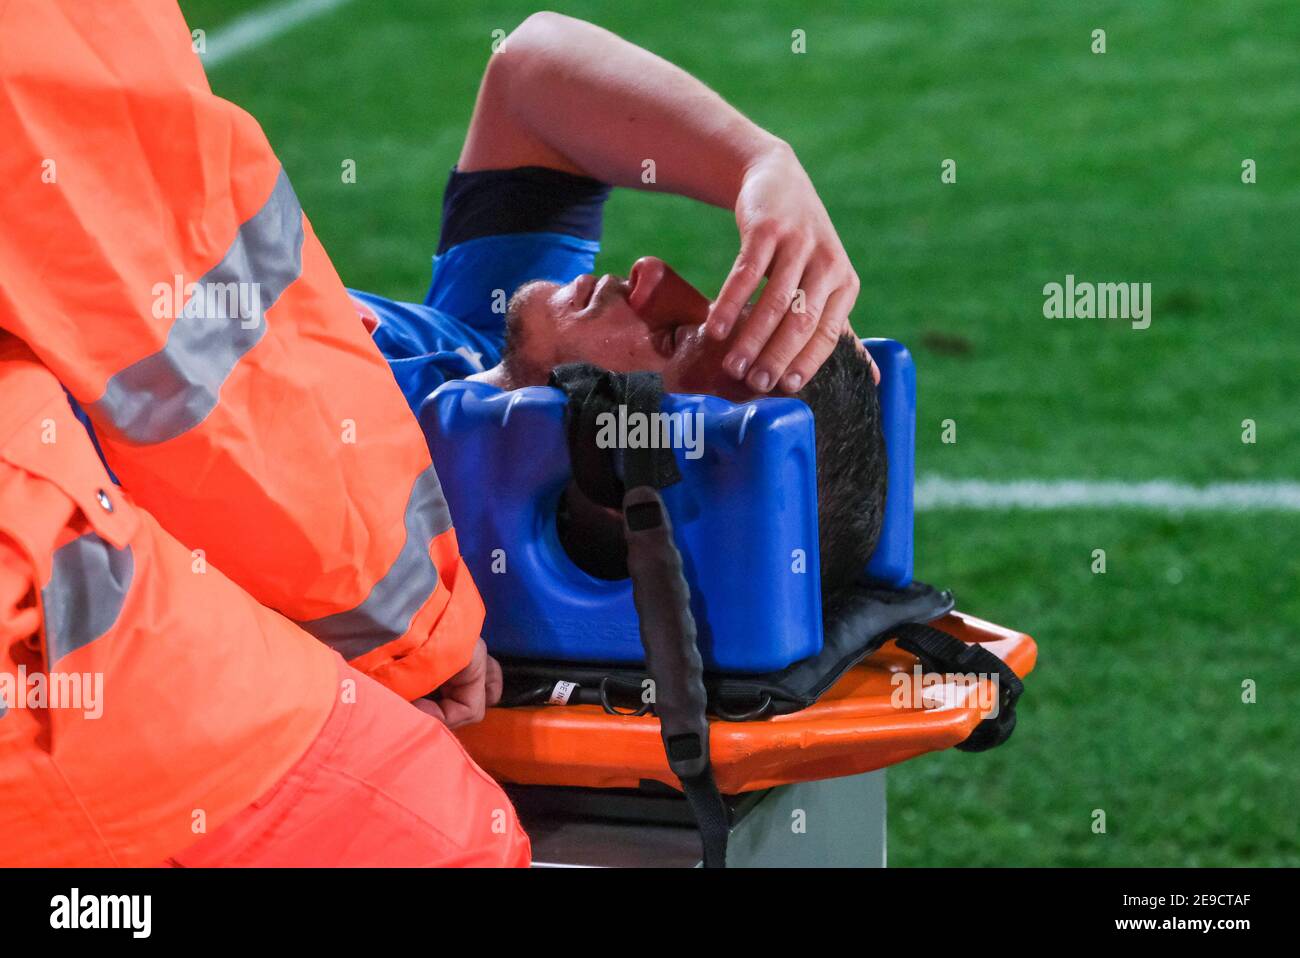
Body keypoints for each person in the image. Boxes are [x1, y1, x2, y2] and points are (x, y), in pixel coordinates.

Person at [0, 0, 526, 866]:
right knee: (451, 839)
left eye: (674, 347)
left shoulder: (482, 343)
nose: (652, 281)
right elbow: (169, 331)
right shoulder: (483, 338)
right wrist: (404, 630)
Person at [350, 13, 887, 615]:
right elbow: (528, 75)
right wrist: (758, 162)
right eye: (714, 305)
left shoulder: (345, 487)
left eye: (677, 337)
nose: (652, 274)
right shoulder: (495, 363)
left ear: (613, 474)